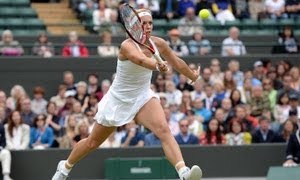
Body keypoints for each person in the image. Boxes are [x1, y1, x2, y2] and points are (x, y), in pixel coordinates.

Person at [52, 8, 202, 180]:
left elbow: (177, 62)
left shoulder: (158, 43)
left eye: (150, 23)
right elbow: (140, 60)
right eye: (143, 23)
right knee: (93, 142)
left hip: (143, 97)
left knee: (164, 130)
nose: (147, 27)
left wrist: (192, 76)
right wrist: (156, 65)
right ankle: (64, 167)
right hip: (118, 101)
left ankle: (183, 172)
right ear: (134, 25)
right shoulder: (126, 46)